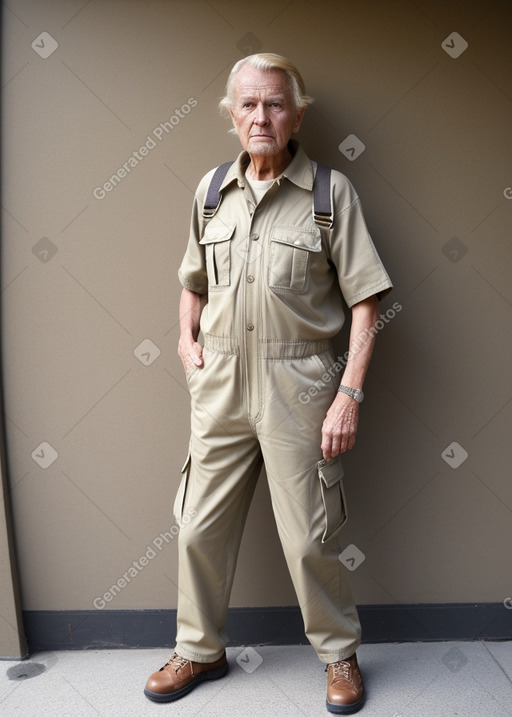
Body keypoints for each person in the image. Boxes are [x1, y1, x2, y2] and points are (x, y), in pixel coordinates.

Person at [144, 52, 392, 714]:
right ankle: (198, 648)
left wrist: (350, 392)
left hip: (301, 382)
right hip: (220, 382)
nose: (262, 116)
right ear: (232, 114)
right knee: (197, 525)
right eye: (249, 104)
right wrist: (186, 342)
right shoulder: (209, 191)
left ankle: (339, 653)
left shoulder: (330, 195)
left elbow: (366, 300)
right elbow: (191, 281)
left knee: (310, 534)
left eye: (276, 104)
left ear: (297, 114)